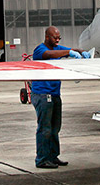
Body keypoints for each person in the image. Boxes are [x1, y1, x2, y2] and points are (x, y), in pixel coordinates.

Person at [31, 26, 90, 168]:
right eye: (55, 38)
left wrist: (81, 52)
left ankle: (53, 156)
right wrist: (68, 52)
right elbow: (50, 55)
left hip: (55, 93)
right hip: (43, 94)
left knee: (55, 127)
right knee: (45, 128)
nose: (57, 40)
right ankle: (42, 159)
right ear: (47, 37)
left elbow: (67, 50)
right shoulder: (40, 50)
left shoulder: (57, 48)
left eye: (59, 38)